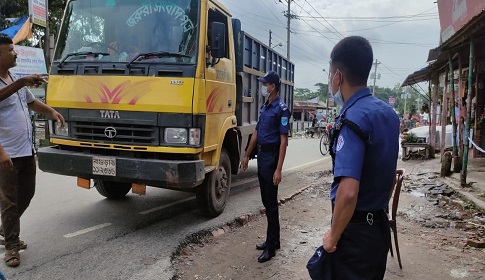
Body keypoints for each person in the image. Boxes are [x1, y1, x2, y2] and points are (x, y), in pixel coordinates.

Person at [322, 36, 400, 279]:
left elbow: (348, 192)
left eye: (330, 74)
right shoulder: (388, 114)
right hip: (378, 228)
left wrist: (332, 237)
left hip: (355, 235)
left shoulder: (352, 120)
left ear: (338, 77)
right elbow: (388, 175)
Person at [0, 33, 65, 267]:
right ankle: (12, 247)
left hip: (26, 150)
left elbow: (30, 102)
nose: (15, 53)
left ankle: (5, 229)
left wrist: (52, 112)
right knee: (8, 202)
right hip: (5, 154)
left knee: (26, 193)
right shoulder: (15, 80)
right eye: (10, 50)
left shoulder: (14, 77)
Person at [241, 71, 290, 263]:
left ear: (273, 87)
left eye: (266, 84)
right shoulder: (265, 107)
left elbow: (284, 141)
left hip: (271, 157)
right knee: (267, 201)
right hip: (262, 156)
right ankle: (274, 240)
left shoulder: (281, 109)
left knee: (270, 203)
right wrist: (246, 155)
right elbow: (256, 133)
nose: (263, 87)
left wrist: (278, 169)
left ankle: (271, 247)